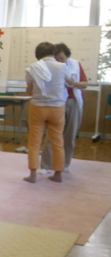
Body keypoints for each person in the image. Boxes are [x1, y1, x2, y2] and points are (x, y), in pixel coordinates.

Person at [24, 42, 75, 184]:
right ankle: (58, 173)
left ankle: (33, 174)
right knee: (58, 141)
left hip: (38, 108)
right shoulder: (62, 67)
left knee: (34, 142)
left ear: (37, 55)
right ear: (53, 53)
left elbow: (29, 91)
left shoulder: (32, 68)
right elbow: (71, 82)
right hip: (57, 108)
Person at [41, 43, 88, 172]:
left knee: (69, 135)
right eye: (57, 59)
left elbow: (85, 83)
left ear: (67, 56)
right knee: (52, 135)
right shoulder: (50, 66)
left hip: (73, 101)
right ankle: (46, 165)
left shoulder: (75, 64)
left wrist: (75, 84)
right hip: (56, 102)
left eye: (62, 59)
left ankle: (64, 165)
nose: (60, 62)